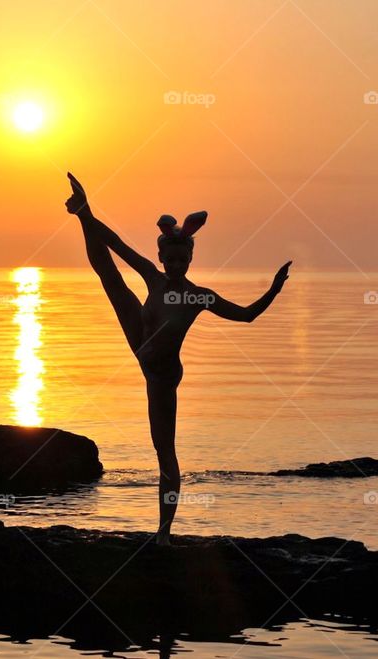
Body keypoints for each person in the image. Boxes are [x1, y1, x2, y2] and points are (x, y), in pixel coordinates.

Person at [65, 172, 291, 546]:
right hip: (140, 336)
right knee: (110, 277)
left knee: (164, 451)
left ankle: (164, 533)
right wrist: (85, 214)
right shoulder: (153, 277)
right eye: (168, 259)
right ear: (161, 257)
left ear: (190, 257)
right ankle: (81, 211)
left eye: (180, 259)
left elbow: (247, 315)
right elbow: (116, 246)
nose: (174, 264)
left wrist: (274, 289)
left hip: (162, 373)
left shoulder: (199, 296)